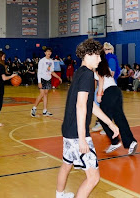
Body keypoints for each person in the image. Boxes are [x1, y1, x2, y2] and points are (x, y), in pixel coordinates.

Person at [55, 39, 119, 198]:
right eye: (98, 56)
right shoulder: (87, 75)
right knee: (93, 178)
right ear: (89, 55)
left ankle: (60, 195)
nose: (100, 59)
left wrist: (109, 123)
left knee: (66, 165)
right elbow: (81, 106)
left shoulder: (80, 72)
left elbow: (90, 103)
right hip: (78, 134)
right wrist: (82, 138)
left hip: (68, 130)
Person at [95, 49, 138, 155]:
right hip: (116, 91)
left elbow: (101, 79)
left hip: (108, 92)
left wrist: (99, 94)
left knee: (103, 117)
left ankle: (115, 141)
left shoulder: (97, 67)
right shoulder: (106, 66)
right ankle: (131, 142)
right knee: (120, 118)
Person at [31, 47, 61, 117]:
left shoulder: (51, 61)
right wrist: (39, 82)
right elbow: (39, 72)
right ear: (45, 53)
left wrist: (58, 77)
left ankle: (45, 110)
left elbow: (52, 71)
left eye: (50, 51)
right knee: (42, 94)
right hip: (42, 79)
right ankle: (34, 108)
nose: (49, 53)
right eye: (47, 51)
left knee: (46, 94)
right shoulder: (42, 61)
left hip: (48, 79)